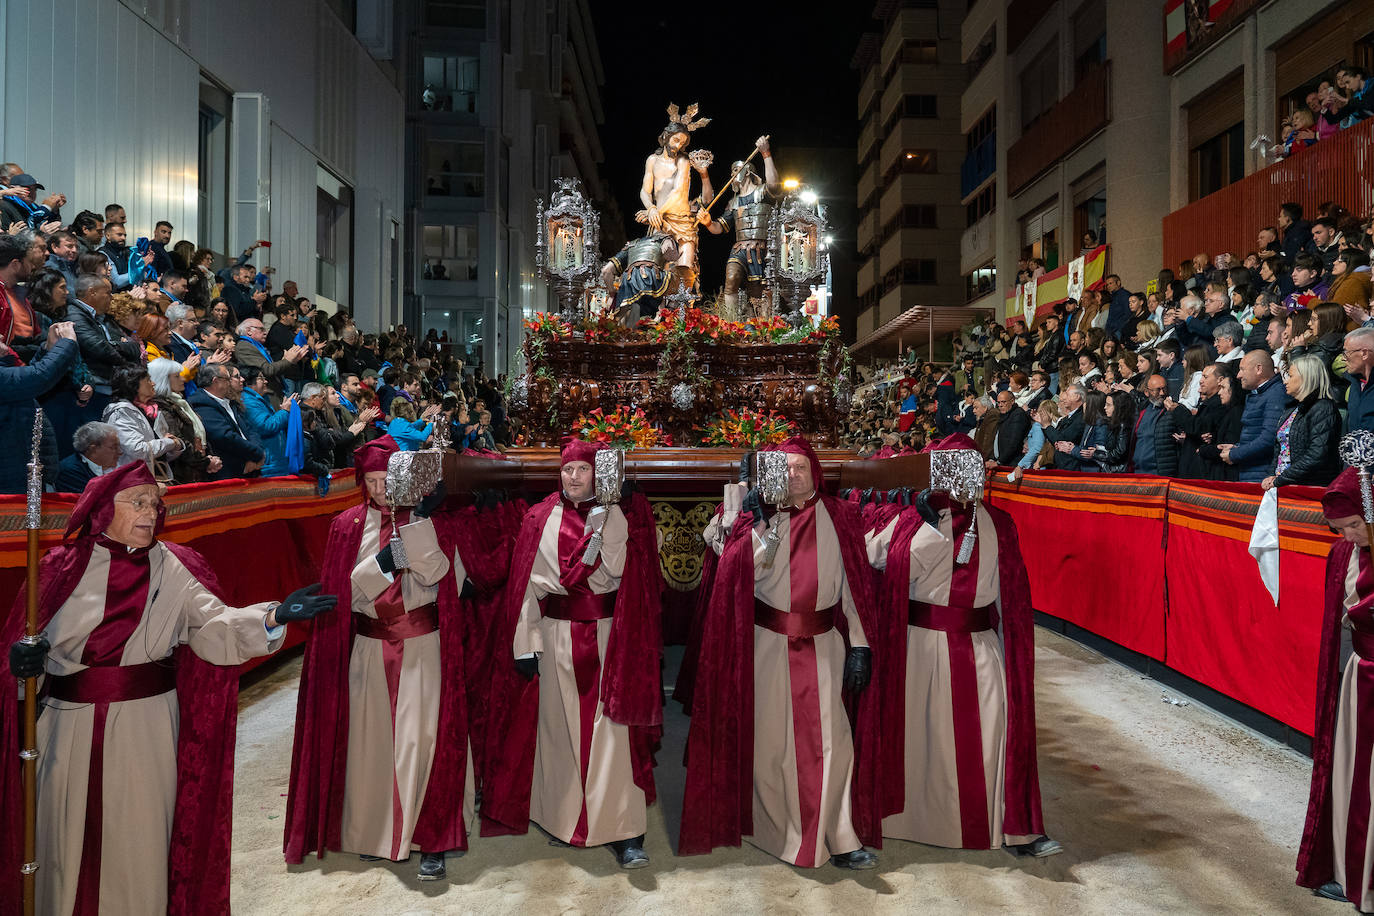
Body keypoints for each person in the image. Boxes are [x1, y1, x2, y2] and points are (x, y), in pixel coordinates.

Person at [0, 461, 336, 914]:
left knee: (137, 837)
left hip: (147, 728)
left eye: (155, 503)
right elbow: (21, 653)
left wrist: (273, 616)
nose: (150, 511)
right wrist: (21, 666)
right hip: (67, 729)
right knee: (64, 836)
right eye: (137, 502)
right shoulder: (59, 568)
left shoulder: (176, 566)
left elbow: (213, 625)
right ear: (103, 510)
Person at [680, 436, 882, 869]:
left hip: (825, 644)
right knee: (771, 747)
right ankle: (778, 832)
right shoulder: (756, 515)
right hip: (767, 644)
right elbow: (731, 564)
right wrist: (751, 519)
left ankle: (839, 834)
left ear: (815, 473)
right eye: (784, 468)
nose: (792, 476)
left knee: (833, 742)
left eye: (800, 468)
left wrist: (861, 646)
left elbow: (855, 590)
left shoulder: (842, 516)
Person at [283, 436, 468, 880]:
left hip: (422, 644)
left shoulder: (430, 521)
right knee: (372, 745)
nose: (382, 489)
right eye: (372, 481)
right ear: (361, 483)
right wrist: (381, 564)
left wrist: (418, 525)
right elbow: (342, 593)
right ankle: (376, 832)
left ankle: (430, 837)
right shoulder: (346, 526)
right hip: (368, 646)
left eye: (389, 480)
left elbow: (442, 576)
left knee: (421, 742)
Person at [867, 434, 1058, 856]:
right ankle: (914, 820)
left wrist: (1015, 655)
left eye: (973, 467)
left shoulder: (1000, 524)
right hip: (921, 646)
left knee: (990, 732)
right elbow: (876, 560)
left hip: (979, 645)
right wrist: (928, 527)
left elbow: (1013, 596)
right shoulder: (914, 519)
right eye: (956, 467)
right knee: (922, 739)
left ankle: (1000, 823)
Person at [483, 439, 663, 868]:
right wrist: (525, 643)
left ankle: (623, 830)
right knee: (559, 730)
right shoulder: (537, 518)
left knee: (612, 735)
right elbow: (524, 586)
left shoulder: (621, 516)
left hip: (608, 637)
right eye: (568, 470)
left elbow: (627, 574)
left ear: (598, 475)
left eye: (583, 470)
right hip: (556, 635)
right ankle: (562, 818)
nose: (574, 477)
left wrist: (613, 518)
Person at [1297, 467, 1374, 909]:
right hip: (1362, 680)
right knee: (1353, 779)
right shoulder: (1343, 554)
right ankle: (1353, 874)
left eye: (1354, 525)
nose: (1348, 535)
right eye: (1340, 528)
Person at [636, 103, 715, 291]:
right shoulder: (652, 160)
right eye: (676, 140)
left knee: (684, 269)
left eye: (682, 142)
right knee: (656, 268)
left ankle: (683, 314)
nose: (678, 145)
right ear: (666, 136)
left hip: (681, 222)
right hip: (659, 221)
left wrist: (656, 212)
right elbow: (645, 191)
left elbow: (678, 191)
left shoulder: (683, 161)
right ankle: (662, 315)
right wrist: (651, 209)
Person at [1260, 354, 1342, 491]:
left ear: (1306, 377)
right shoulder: (1292, 409)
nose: (1285, 381)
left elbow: (1317, 455)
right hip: (1283, 484)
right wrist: (1271, 476)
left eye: (1291, 376)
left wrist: (1280, 478)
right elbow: (1278, 450)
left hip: (1309, 487)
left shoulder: (1324, 409)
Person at [101, 363, 183, 476]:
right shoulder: (121, 412)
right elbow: (138, 451)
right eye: (148, 380)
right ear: (133, 385)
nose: (153, 383)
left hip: (156, 478)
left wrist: (176, 446)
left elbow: (162, 453)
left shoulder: (153, 410)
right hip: (132, 482)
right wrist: (170, 443)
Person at [189, 364, 265, 479]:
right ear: (215, 381)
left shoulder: (230, 402)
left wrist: (257, 454)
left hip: (251, 467)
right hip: (229, 472)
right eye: (227, 379)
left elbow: (250, 430)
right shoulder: (201, 404)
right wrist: (256, 454)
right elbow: (225, 437)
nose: (230, 382)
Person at [1221, 350, 1287, 480]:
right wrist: (1238, 447)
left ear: (1258, 369)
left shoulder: (1275, 394)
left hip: (1262, 475)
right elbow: (1255, 434)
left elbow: (1269, 439)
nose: (1238, 375)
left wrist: (1235, 454)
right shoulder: (1261, 393)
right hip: (1251, 470)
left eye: (1242, 369)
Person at [56, 420, 120, 492]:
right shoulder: (70, 472)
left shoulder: (108, 467)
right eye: (113, 447)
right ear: (93, 449)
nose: (120, 452)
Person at [987, 389, 1031, 467]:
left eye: (1003, 402)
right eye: (998, 402)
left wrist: (999, 462)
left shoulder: (1018, 415)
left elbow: (1014, 442)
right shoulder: (1005, 415)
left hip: (1012, 463)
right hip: (1002, 461)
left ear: (1012, 401)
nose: (1000, 405)